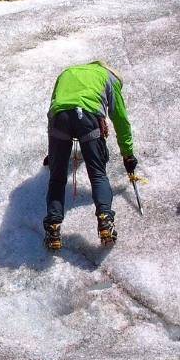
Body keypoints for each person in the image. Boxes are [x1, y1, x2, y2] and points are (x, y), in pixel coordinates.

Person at [43, 61, 137, 249]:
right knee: (98, 174)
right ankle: (105, 221)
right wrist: (128, 155)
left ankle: (53, 229)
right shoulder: (110, 79)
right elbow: (120, 119)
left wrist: (52, 154)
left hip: (59, 119)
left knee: (57, 178)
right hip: (88, 119)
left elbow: (56, 105)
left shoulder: (67, 72)